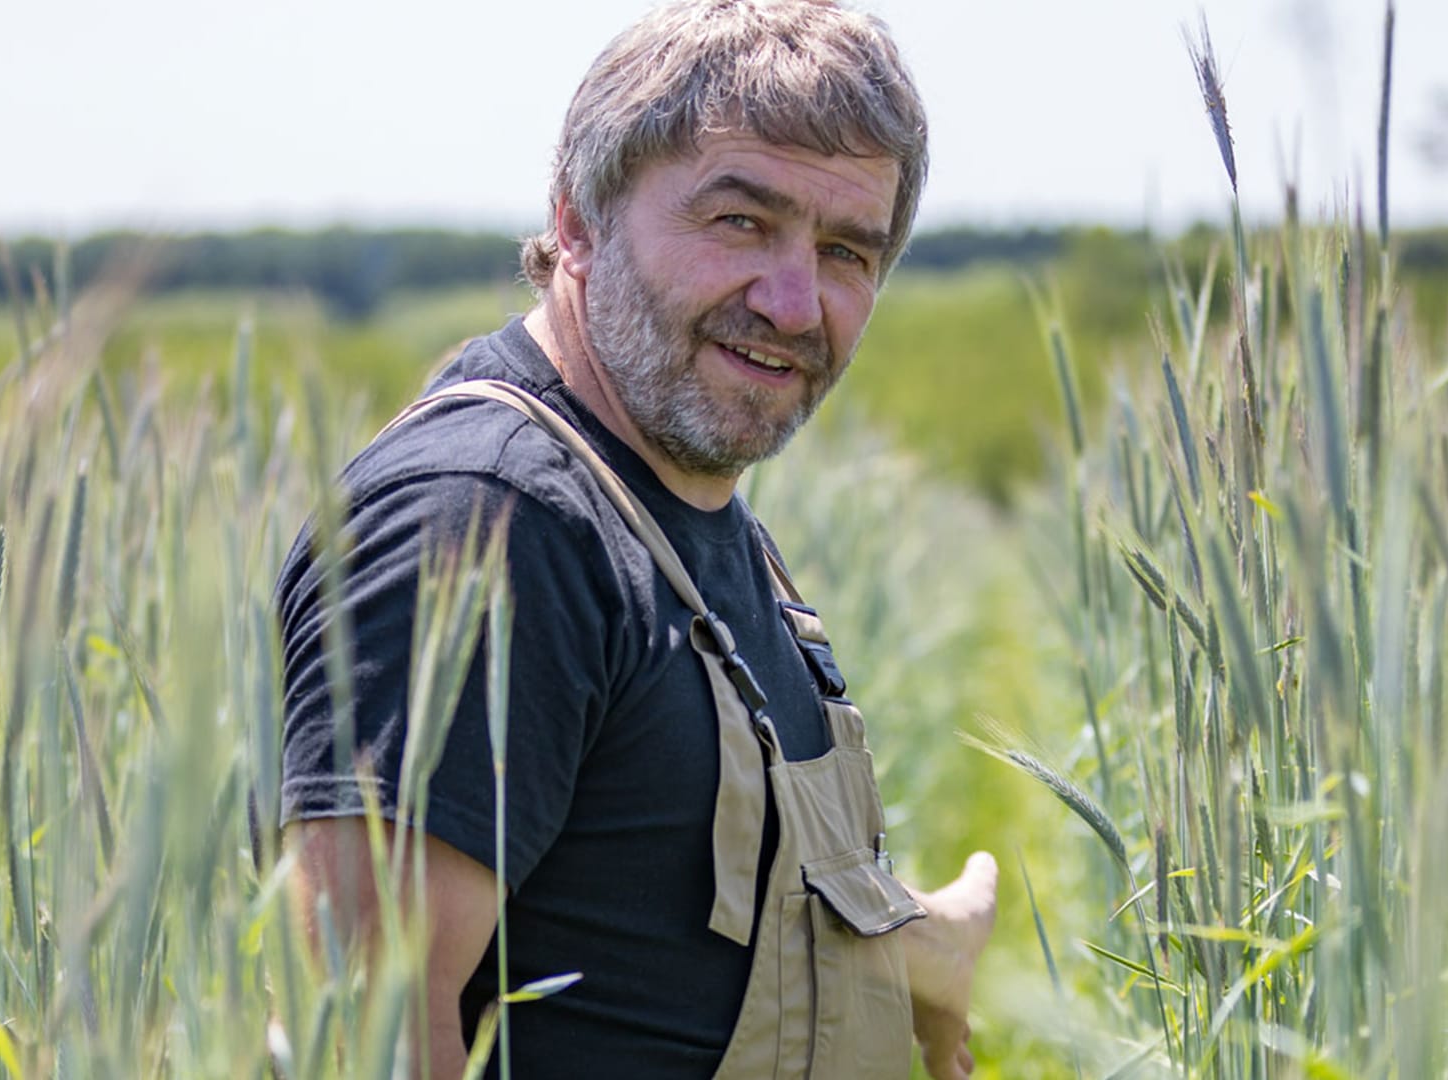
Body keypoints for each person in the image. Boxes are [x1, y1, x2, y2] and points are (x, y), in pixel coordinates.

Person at [273, 1, 997, 1076]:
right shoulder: (488, 522)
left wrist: (908, 952)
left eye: (846, 249)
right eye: (740, 222)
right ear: (577, 220)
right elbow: (361, 1027)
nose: (795, 303)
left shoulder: (689, 511)